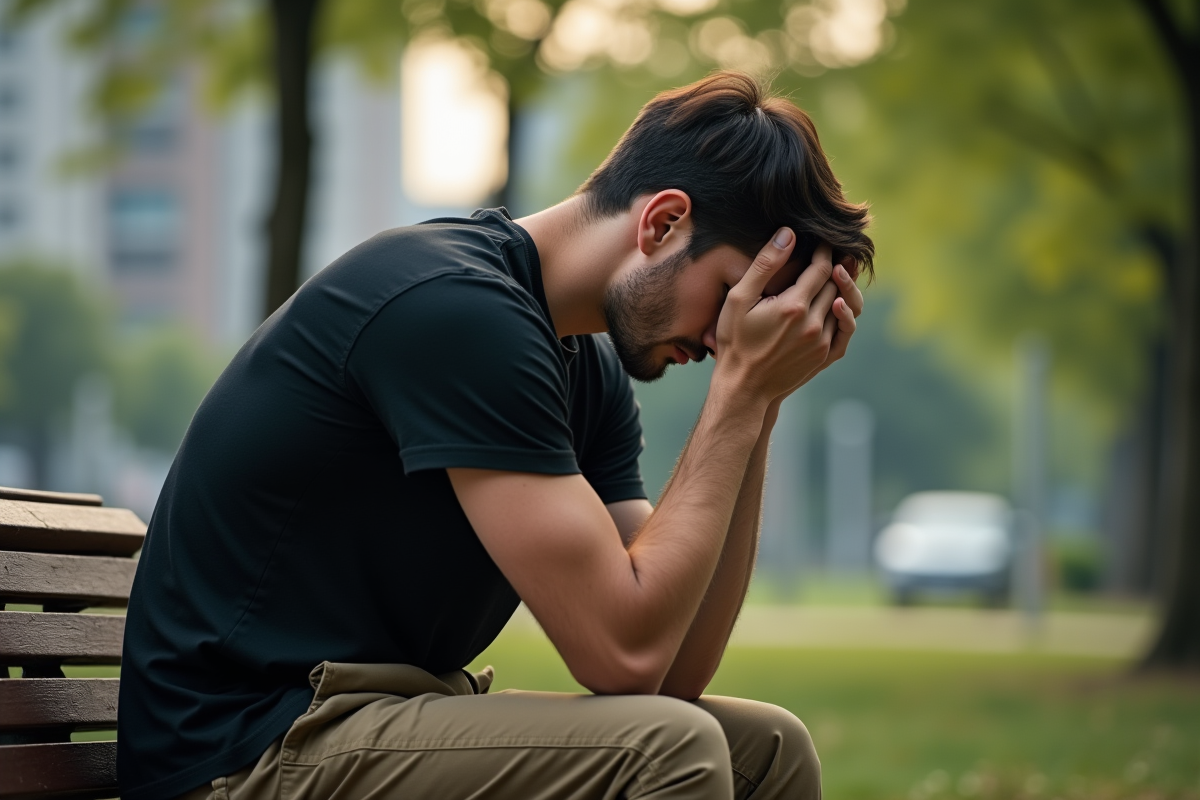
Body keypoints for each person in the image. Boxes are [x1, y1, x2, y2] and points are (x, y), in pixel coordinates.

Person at [118, 70, 874, 800]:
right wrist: (738, 396)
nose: (727, 338)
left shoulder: (582, 370)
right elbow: (622, 656)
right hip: (245, 752)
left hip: (367, 721)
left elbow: (670, 668)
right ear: (663, 222)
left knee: (767, 751)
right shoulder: (456, 310)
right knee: (667, 752)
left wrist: (762, 401)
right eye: (730, 296)